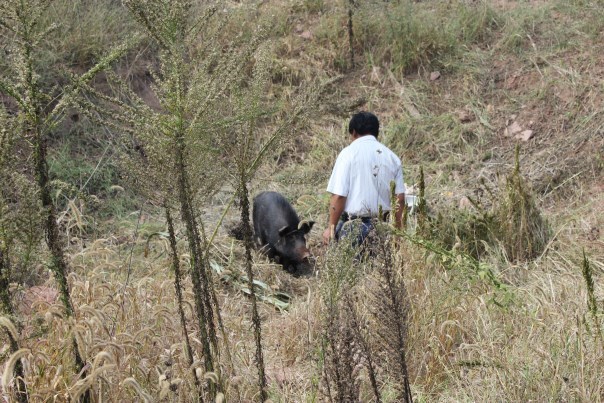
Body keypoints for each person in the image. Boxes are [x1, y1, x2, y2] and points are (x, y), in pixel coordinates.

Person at [322, 111, 406, 247]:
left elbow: (338, 196)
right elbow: (400, 199)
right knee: (381, 268)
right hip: (383, 228)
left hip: (353, 228)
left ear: (353, 132)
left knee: (351, 267)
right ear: (376, 132)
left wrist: (331, 228)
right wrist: (398, 232)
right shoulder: (392, 157)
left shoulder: (348, 154)